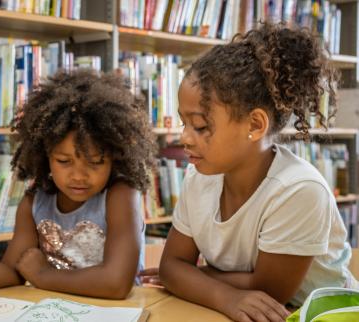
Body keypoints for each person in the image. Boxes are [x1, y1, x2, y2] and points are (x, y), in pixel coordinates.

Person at [141, 22, 356, 322]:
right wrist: (220, 291)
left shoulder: (299, 189)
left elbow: (269, 291)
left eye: (201, 126)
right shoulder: (199, 176)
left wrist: (196, 276)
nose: (185, 138)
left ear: (255, 125)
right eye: (184, 123)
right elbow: (171, 268)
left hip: (319, 314)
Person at [0, 69, 157, 299]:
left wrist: (43, 275)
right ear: (45, 157)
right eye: (64, 161)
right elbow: (11, 272)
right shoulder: (35, 202)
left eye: (95, 162)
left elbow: (116, 283)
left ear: (115, 159)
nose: (79, 175)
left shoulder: (121, 195)